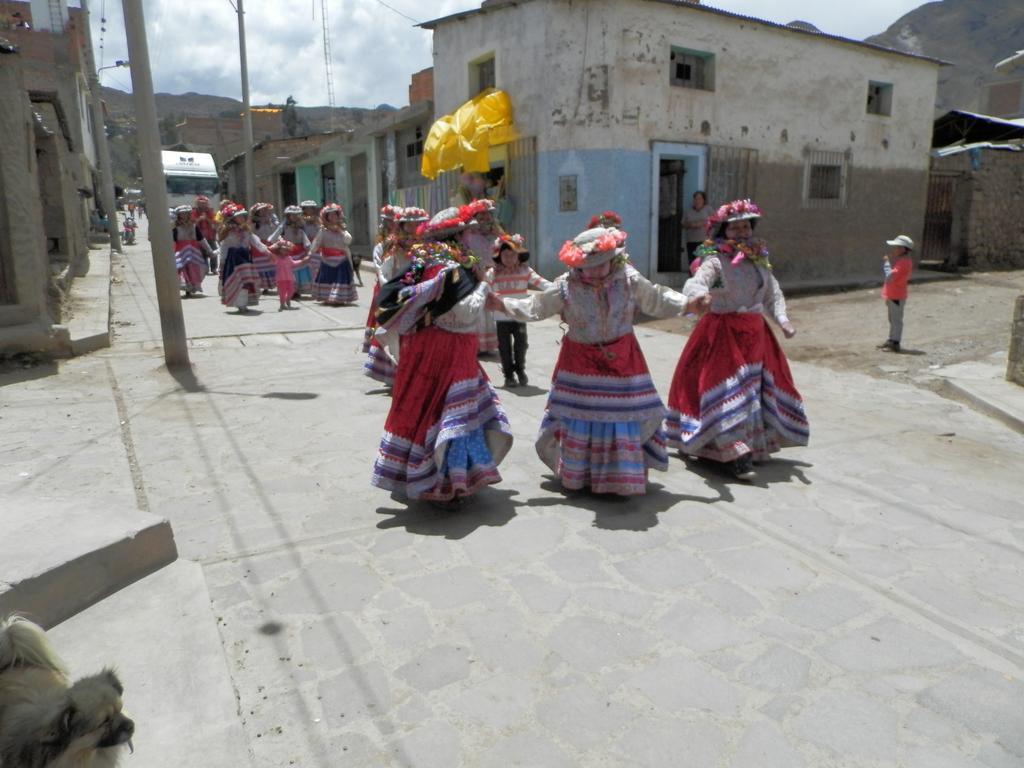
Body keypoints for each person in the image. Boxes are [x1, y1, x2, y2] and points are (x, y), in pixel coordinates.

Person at [492, 226, 701, 497]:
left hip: (623, 359)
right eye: (587, 265)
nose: (593, 271)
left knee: (622, 416)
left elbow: (656, 299)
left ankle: (621, 477)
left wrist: (689, 304)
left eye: (599, 265)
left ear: (613, 259)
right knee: (583, 417)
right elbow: (537, 306)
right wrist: (502, 305)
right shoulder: (566, 285)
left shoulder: (629, 279)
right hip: (580, 362)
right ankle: (582, 474)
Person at [371, 208, 512, 504]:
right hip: (449, 352)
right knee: (453, 416)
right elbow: (463, 313)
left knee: (425, 411)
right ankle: (447, 482)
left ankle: (426, 476)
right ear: (458, 236)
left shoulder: (424, 263)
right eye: (467, 231)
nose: (470, 236)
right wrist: (485, 285)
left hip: (424, 350)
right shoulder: (452, 269)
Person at [666, 199, 808, 481]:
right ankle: (731, 453)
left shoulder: (758, 260)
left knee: (753, 390)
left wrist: (783, 321)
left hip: (755, 336)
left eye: (745, 225)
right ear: (723, 231)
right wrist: (697, 297)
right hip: (722, 334)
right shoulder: (715, 261)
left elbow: (772, 293)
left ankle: (749, 446)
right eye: (735, 227)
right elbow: (698, 281)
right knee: (731, 392)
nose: (742, 231)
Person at [364, 206, 429, 386]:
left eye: (418, 224)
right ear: (402, 225)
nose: (414, 228)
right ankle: (399, 374)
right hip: (399, 297)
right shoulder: (393, 246)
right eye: (410, 224)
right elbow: (384, 271)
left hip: (420, 295)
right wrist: (391, 291)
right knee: (395, 337)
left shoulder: (428, 246)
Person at [490, 233, 552, 388]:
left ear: (519, 256)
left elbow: (542, 283)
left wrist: (560, 290)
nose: (509, 258)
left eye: (513, 255)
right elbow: (484, 287)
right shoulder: (493, 272)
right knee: (504, 347)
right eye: (505, 255)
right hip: (501, 316)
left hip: (520, 315)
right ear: (499, 256)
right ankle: (508, 375)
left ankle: (520, 369)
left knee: (521, 345)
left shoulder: (526, 271)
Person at [459, 199, 504, 355]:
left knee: (492, 309)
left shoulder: (497, 234)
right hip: (475, 276)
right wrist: (476, 269)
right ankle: (476, 345)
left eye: (488, 215)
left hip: (494, 276)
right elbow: (465, 255)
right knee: (478, 308)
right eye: (481, 216)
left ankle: (489, 344)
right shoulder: (468, 236)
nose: (485, 219)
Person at [217, 205, 270, 313]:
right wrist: (222, 262)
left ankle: (244, 303)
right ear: (232, 218)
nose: (241, 218)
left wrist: (267, 251)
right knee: (237, 281)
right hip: (233, 260)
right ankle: (240, 304)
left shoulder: (246, 230)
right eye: (239, 216)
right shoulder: (228, 231)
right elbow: (224, 247)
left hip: (245, 259)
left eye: (242, 216)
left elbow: (255, 242)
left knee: (246, 281)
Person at [309, 203, 357, 305]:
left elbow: (348, 240)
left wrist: (340, 231)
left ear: (338, 216)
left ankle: (338, 298)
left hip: (341, 259)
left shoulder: (342, 229)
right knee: (328, 278)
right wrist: (312, 251)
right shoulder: (323, 230)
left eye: (334, 214)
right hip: (327, 259)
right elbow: (317, 242)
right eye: (330, 215)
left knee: (340, 279)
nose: (332, 217)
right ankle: (328, 297)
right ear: (326, 217)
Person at [878, 235, 915, 353]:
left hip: (897, 296)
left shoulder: (903, 262)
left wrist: (886, 263)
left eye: (896, 247)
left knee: (896, 320)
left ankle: (895, 343)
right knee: (893, 319)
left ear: (903, 249)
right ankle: (892, 340)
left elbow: (890, 276)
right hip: (894, 295)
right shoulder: (903, 261)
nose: (893, 249)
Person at [270, 206, 313, 299]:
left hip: (300, 251)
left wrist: (308, 249)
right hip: (288, 253)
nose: (294, 217)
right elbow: (274, 237)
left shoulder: (301, 226)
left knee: (300, 271)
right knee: (290, 272)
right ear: (288, 216)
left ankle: (297, 291)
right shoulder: (284, 227)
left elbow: (306, 239)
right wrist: (280, 243)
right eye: (292, 215)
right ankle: (291, 290)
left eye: (296, 215)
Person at [171, 205, 212, 298]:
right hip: (181, 252)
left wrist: (209, 250)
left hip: (193, 252)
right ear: (179, 215)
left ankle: (192, 286)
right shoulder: (175, 228)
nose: (184, 216)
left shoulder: (194, 227)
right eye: (182, 214)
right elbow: (172, 241)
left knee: (193, 269)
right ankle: (186, 288)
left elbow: (201, 239)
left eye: (186, 214)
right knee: (182, 268)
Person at [269, 240, 310, 311]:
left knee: (291, 290)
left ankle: (288, 299)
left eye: (286, 250)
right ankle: (282, 304)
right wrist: (270, 255)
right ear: (279, 250)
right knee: (282, 292)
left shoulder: (289, 258)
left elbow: (294, 263)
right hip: (281, 279)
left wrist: (302, 261)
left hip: (290, 277)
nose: (285, 251)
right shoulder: (277, 258)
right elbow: (272, 260)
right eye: (283, 249)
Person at [250, 203, 279, 294]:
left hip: (269, 243)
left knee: (271, 264)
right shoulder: (254, 222)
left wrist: (271, 221)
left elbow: (277, 230)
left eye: (266, 210)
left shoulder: (272, 219)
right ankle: (262, 286)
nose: (264, 212)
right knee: (260, 266)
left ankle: (270, 285)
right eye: (262, 210)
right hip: (258, 246)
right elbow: (251, 232)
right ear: (257, 212)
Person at [682, 190, 715, 267]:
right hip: (691, 241)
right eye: (695, 199)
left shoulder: (708, 209)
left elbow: (715, 221)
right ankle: (693, 277)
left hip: (705, 241)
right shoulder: (688, 211)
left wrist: (702, 223)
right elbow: (683, 224)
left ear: (704, 200)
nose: (697, 201)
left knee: (704, 262)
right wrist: (692, 224)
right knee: (693, 263)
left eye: (699, 199)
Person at [192, 195, 219, 274]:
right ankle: (205, 268)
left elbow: (214, 222)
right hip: (199, 237)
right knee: (202, 253)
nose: (203, 205)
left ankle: (214, 268)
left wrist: (206, 218)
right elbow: (192, 223)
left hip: (210, 236)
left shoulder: (210, 211)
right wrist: (199, 219)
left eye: (204, 203)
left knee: (214, 251)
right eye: (201, 203)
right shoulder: (194, 212)